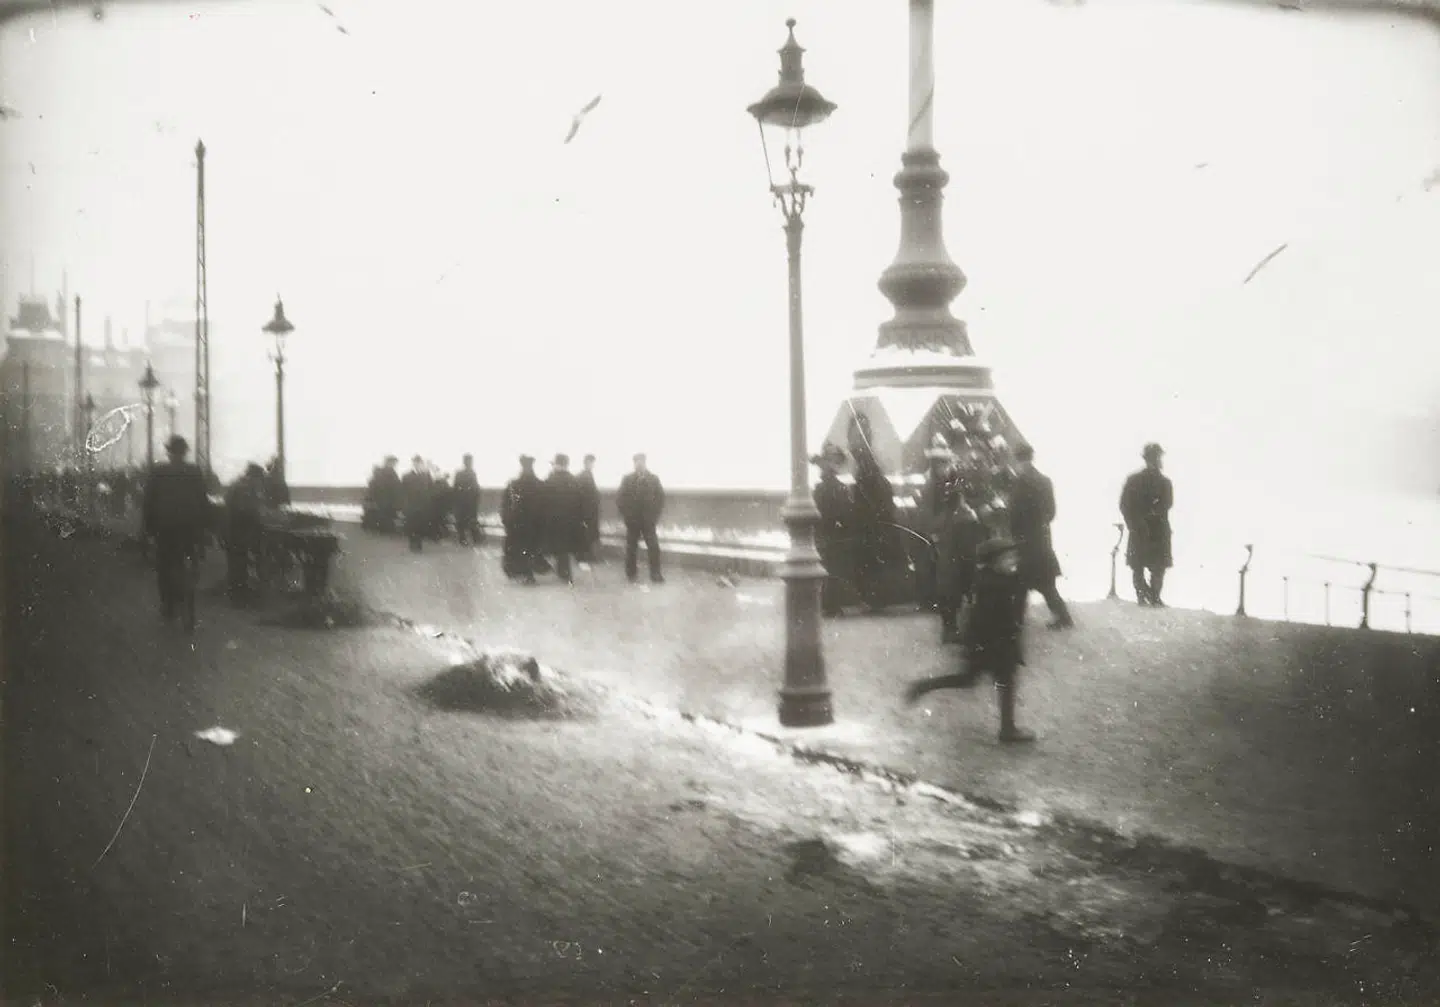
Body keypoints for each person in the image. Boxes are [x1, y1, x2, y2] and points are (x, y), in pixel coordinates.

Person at [904, 533, 1035, 744]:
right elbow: (998, 619)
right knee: (998, 682)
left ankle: (923, 686)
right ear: (994, 562)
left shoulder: (995, 580)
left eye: (1013, 556)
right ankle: (1008, 730)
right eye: (1008, 558)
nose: (1014, 561)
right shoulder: (996, 585)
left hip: (987, 645)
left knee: (971, 680)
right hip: (992, 645)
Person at [142, 435, 210, 625]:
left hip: (165, 527)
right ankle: (189, 593)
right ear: (185, 452)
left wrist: (147, 529)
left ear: (169, 452)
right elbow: (203, 500)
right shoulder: (194, 471)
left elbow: (149, 501)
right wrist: (205, 528)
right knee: (190, 559)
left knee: (164, 566)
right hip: (190, 527)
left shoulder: (158, 472)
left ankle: (168, 604)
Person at [1008, 443, 1074, 630]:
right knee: (1045, 583)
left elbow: (1013, 514)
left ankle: (1016, 621)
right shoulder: (1045, 481)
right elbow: (1051, 513)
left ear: (1018, 460)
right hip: (1041, 539)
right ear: (1031, 458)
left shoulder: (1019, 482)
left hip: (1023, 539)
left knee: (1020, 582)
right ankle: (1063, 617)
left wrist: (1014, 534)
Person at [1120, 442, 1174, 607]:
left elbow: (1124, 505)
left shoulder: (1135, 480)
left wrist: (1133, 523)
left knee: (1141, 565)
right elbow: (1166, 504)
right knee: (1152, 567)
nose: (1159, 461)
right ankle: (1152, 597)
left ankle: (1146, 596)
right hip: (1155, 529)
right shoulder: (1164, 482)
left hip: (1143, 528)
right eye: (1158, 457)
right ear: (1155, 459)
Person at [934, 480, 984, 644]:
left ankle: (949, 629)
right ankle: (956, 631)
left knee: (948, 598)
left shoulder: (943, 516)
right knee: (961, 597)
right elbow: (971, 545)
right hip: (962, 564)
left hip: (946, 564)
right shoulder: (966, 515)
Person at [810, 442, 853, 617]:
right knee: (833, 570)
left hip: (822, 534)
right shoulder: (841, 489)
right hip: (835, 534)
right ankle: (832, 605)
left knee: (826, 568)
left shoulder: (819, 489)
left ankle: (827, 604)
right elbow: (846, 515)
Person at [617, 453, 664, 584]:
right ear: (634, 463)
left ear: (645, 462)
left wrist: (654, 516)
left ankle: (655, 573)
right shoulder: (627, 479)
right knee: (631, 547)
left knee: (654, 547)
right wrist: (627, 516)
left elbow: (660, 499)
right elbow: (620, 499)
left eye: (641, 461)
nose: (639, 464)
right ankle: (631, 572)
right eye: (636, 461)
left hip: (649, 521)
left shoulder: (654, 479)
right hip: (633, 521)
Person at [223, 463, 268, 601]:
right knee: (241, 562)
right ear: (255, 476)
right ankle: (240, 596)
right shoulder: (251, 487)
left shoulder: (235, 483)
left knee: (235, 562)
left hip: (230, 527)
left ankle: (235, 595)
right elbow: (252, 510)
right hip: (242, 528)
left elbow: (227, 500)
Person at [543, 453, 585, 585]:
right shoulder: (573, 480)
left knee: (558, 546)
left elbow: (544, 500)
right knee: (565, 547)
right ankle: (564, 572)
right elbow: (580, 502)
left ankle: (564, 573)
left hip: (554, 519)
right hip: (570, 520)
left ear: (557, 464)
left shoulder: (551, 479)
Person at [501, 455, 543, 583]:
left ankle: (521, 572)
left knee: (518, 548)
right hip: (534, 523)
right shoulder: (539, 484)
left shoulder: (514, 484)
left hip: (518, 523)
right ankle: (530, 574)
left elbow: (506, 504)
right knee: (531, 548)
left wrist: (507, 520)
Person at [401, 455, 432, 553]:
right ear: (413, 463)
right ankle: (412, 544)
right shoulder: (406, 476)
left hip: (422, 506)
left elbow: (430, 489)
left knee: (420, 525)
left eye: (419, 462)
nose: (417, 464)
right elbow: (403, 492)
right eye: (416, 462)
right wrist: (404, 506)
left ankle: (418, 545)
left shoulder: (426, 475)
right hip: (411, 506)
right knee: (411, 525)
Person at [576, 454, 602, 563]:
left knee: (588, 534)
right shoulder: (583, 476)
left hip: (589, 511)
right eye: (590, 462)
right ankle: (583, 558)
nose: (592, 465)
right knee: (586, 534)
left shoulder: (586, 475)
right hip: (586, 511)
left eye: (592, 463)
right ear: (586, 463)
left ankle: (587, 557)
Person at [453, 454, 481, 547]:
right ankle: (474, 539)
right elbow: (476, 488)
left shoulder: (459, 473)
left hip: (463, 501)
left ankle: (464, 539)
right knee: (470, 520)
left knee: (462, 521)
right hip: (469, 501)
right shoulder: (472, 473)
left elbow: (455, 488)